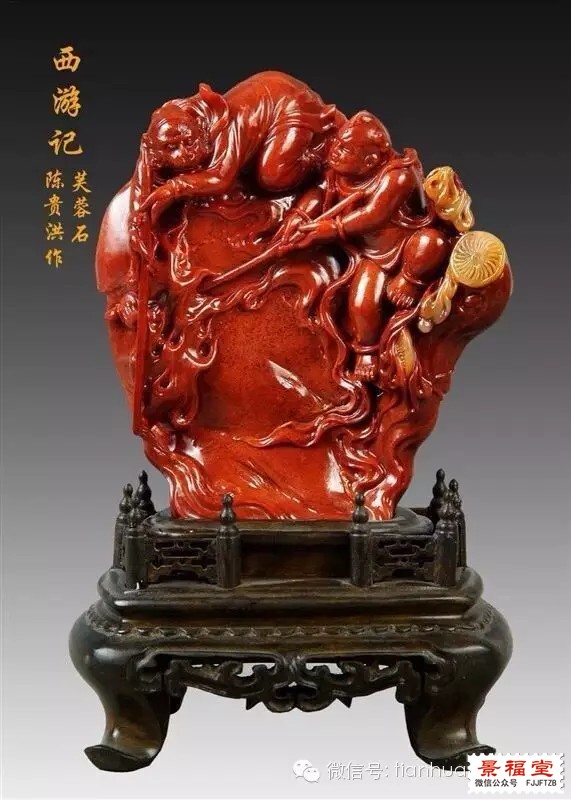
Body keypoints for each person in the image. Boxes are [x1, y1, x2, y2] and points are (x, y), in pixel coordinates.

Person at [279, 111, 452, 382]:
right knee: (361, 302)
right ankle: (366, 353)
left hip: (407, 244)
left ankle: (409, 281)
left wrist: (331, 229)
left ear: (369, 161)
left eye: (345, 149)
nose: (335, 151)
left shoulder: (399, 175)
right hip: (371, 254)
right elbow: (319, 192)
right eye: (338, 143)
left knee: (432, 243)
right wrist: (300, 215)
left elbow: (374, 215)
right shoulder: (338, 171)